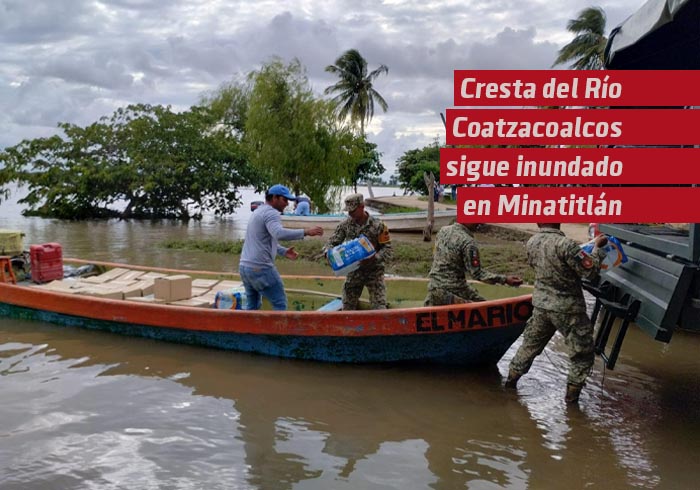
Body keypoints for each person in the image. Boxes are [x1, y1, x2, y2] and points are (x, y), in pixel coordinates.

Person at [505, 223, 608, 404]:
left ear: (538, 223)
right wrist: (598, 249)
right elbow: (590, 272)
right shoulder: (566, 245)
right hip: (568, 310)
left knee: (529, 347)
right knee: (582, 354)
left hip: (541, 306)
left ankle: (509, 385)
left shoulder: (532, 242)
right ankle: (571, 402)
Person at [239, 184, 323, 310]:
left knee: (253, 305)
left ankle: (247, 329)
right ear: (274, 198)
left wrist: (283, 251)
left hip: (245, 267)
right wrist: (306, 232)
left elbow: (261, 240)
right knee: (280, 303)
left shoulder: (258, 211)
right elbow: (279, 233)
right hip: (261, 268)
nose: (287, 204)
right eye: (284, 200)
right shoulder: (272, 213)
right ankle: (277, 330)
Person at [424, 223, 522, 306]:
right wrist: (505, 279)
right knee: (487, 310)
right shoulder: (468, 243)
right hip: (452, 290)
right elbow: (477, 274)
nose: (479, 223)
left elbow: (436, 255)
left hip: (434, 287)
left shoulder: (443, 231)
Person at [324, 193, 393, 310]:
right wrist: (327, 252)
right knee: (347, 305)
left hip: (374, 271)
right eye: (348, 211)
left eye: (353, 210)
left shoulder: (378, 225)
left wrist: (374, 257)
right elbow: (332, 242)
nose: (350, 214)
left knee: (379, 307)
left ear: (362, 207)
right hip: (354, 271)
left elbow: (387, 248)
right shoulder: (345, 225)